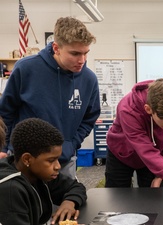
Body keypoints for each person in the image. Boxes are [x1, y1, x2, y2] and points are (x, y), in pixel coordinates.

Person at [0, 17, 101, 179]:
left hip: (63, 161)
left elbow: (90, 117)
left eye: (85, 53)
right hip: (25, 160)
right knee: (22, 202)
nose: (82, 60)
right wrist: (3, 148)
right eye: (75, 54)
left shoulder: (89, 79)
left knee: (66, 201)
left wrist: (71, 143)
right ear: (56, 48)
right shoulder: (26, 68)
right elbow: (5, 112)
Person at [0, 118, 87, 225]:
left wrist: (69, 202)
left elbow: (76, 187)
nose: (58, 166)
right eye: (51, 160)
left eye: (57, 159)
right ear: (27, 159)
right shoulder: (10, 189)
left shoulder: (39, 174)